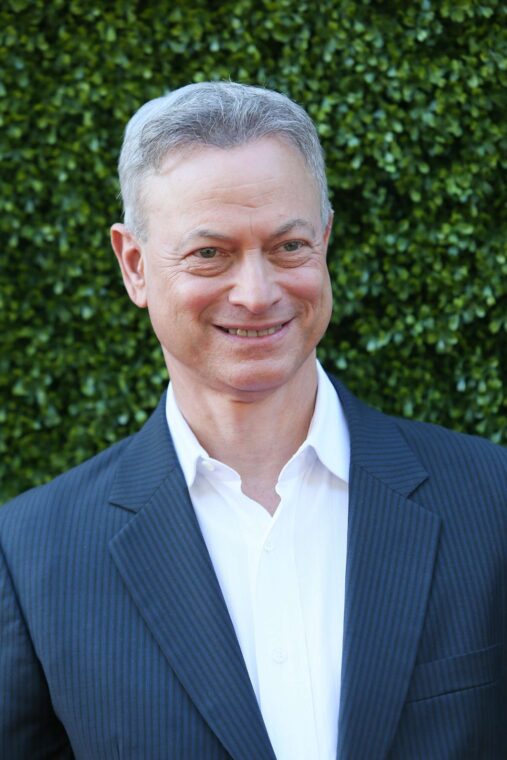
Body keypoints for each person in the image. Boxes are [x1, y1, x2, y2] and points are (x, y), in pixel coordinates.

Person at [0, 82, 505, 760]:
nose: (257, 292)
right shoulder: (33, 557)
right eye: (209, 253)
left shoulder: (490, 499)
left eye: (288, 246)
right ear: (134, 265)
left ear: (323, 241)